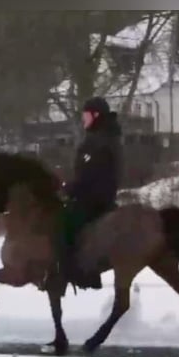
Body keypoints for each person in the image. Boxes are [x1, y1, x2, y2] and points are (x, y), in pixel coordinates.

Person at [57, 96, 122, 290]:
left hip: (95, 198)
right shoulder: (105, 137)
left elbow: (89, 175)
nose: (83, 119)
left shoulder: (99, 141)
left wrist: (69, 188)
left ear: (96, 115)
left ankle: (77, 272)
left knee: (65, 223)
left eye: (86, 115)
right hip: (99, 195)